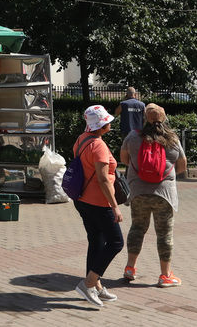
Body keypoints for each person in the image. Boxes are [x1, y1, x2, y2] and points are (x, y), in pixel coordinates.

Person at [120, 103, 187, 287]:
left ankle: (129, 268)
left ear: (144, 118)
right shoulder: (172, 138)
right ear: (163, 118)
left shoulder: (133, 136)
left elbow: (123, 159)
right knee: (164, 233)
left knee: (137, 228)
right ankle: (165, 275)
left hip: (138, 192)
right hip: (164, 194)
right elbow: (182, 165)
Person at [72, 104, 124, 308]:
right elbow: (103, 180)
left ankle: (96, 286)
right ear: (101, 126)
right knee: (116, 243)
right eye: (107, 121)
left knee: (96, 241)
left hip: (82, 199)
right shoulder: (99, 146)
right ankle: (88, 283)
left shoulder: (81, 139)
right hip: (98, 202)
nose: (110, 123)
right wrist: (115, 207)